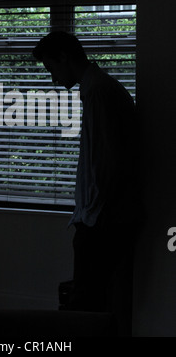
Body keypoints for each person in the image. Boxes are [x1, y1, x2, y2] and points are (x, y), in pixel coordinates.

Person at [33, 31, 140, 330]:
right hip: (106, 216)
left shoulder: (97, 91)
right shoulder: (98, 88)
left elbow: (106, 162)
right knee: (98, 300)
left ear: (64, 58)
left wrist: (90, 215)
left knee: (87, 305)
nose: (53, 79)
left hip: (103, 220)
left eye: (51, 68)